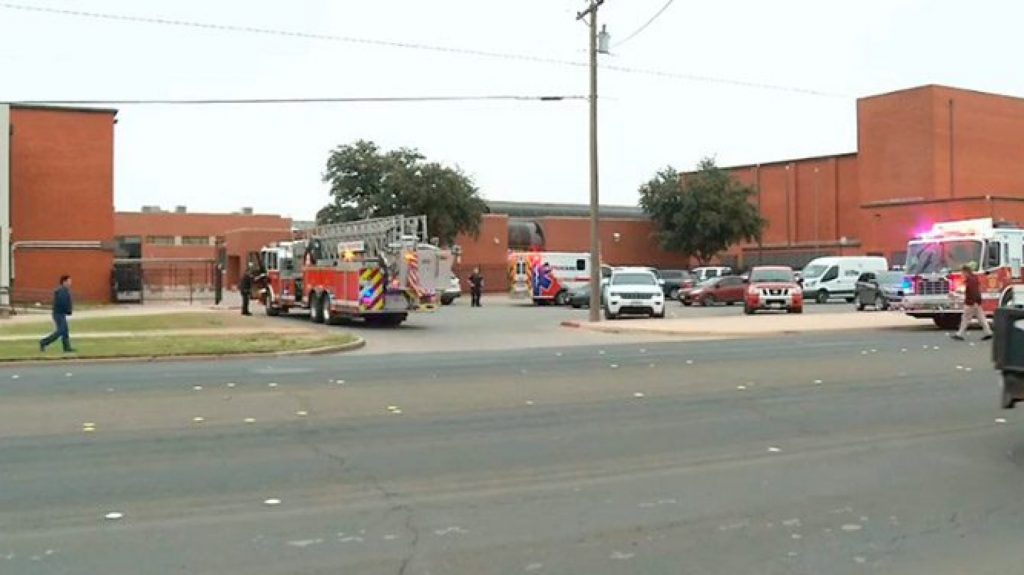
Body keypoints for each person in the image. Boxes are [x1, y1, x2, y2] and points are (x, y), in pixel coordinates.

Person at [952, 262, 993, 341]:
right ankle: (988, 332)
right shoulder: (974, 278)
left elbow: (972, 291)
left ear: (966, 272)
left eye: (962, 272)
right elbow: (974, 291)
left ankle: (959, 334)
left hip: (971, 302)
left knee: (965, 318)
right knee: (981, 318)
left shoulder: (970, 280)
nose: (962, 274)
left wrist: (973, 302)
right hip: (976, 302)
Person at [39, 275, 75, 353]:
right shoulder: (61, 291)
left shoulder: (64, 290)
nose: (70, 283)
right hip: (59, 314)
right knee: (60, 331)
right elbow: (62, 303)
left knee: (65, 331)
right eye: (69, 281)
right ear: (64, 282)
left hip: (61, 313)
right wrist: (68, 310)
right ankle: (44, 342)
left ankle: (67, 347)